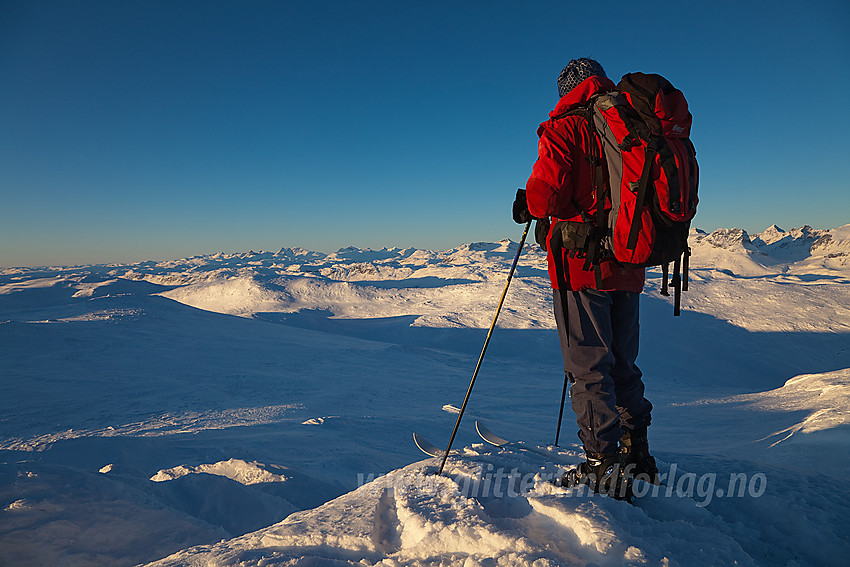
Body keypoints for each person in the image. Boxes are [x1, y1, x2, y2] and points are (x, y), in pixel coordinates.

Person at [512, 58, 658, 499]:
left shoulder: (564, 127)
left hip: (581, 267)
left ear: (567, 90)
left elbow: (547, 193)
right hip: (628, 261)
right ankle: (638, 455)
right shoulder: (629, 121)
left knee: (589, 366)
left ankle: (604, 468)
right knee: (622, 362)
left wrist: (528, 205)